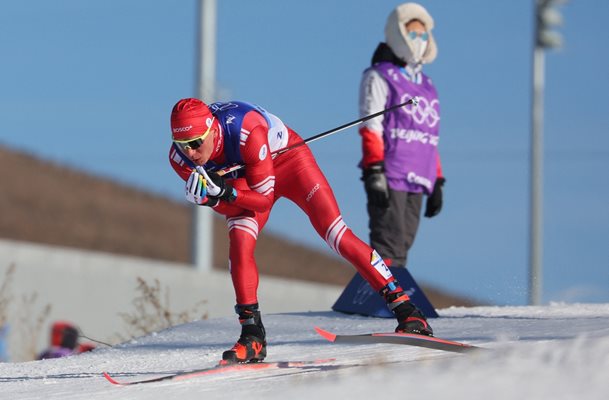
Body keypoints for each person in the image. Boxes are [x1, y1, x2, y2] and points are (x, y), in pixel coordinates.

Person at [168, 98, 434, 364]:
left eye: (196, 143)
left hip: (289, 161)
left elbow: (263, 199)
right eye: (183, 144)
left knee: (336, 234)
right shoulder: (179, 159)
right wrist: (213, 200)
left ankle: (407, 309)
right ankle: (252, 335)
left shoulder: (246, 130)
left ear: (212, 130)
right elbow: (232, 210)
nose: (190, 152)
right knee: (239, 242)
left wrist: (225, 192)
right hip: (245, 178)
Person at [359, 3, 445, 269]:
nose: (418, 41)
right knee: (388, 237)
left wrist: (437, 178)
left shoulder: (427, 85)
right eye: (412, 34)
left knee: (405, 239)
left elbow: (429, 133)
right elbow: (371, 123)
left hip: (420, 172)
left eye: (423, 35)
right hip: (392, 170)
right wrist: (374, 169)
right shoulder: (380, 76)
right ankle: (383, 293)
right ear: (398, 34)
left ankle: (397, 290)